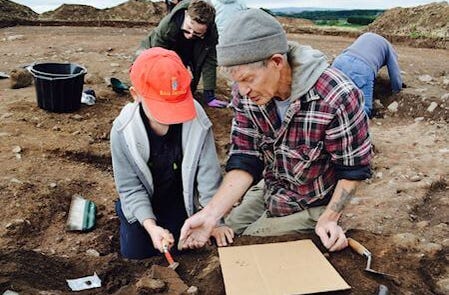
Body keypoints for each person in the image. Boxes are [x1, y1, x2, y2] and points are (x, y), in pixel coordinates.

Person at [178, 9, 373, 252]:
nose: (242, 91)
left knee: (248, 241)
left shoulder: (337, 97)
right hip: (271, 187)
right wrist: (209, 215)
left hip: (313, 201)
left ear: (277, 62)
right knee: (226, 229)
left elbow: (353, 170)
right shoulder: (245, 95)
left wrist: (330, 217)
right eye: (236, 82)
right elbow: (246, 158)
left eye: (248, 79)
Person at [111, 47, 233, 260]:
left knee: (184, 248)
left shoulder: (197, 119)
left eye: (177, 105)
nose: (172, 117)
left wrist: (214, 221)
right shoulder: (124, 131)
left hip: (180, 199)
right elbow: (130, 187)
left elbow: (208, 175)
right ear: (135, 94)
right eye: (163, 108)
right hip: (142, 201)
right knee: (136, 255)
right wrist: (150, 226)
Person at [137, 0, 228, 108]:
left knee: (188, 88)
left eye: (197, 33)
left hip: (190, 49)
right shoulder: (167, 26)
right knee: (153, 73)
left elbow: (209, 61)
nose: (190, 35)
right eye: (188, 28)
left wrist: (209, 94)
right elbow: (157, 56)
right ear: (186, 14)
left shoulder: (211, 34)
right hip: (165, 48)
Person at [332, 32, 404, 118]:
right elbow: (395, 74)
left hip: (340, 61)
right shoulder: (388, 47)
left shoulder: (366, 35)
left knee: (333, 97)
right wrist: (397, 89)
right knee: (364, 109)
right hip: (362, 68)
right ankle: (355, 126)